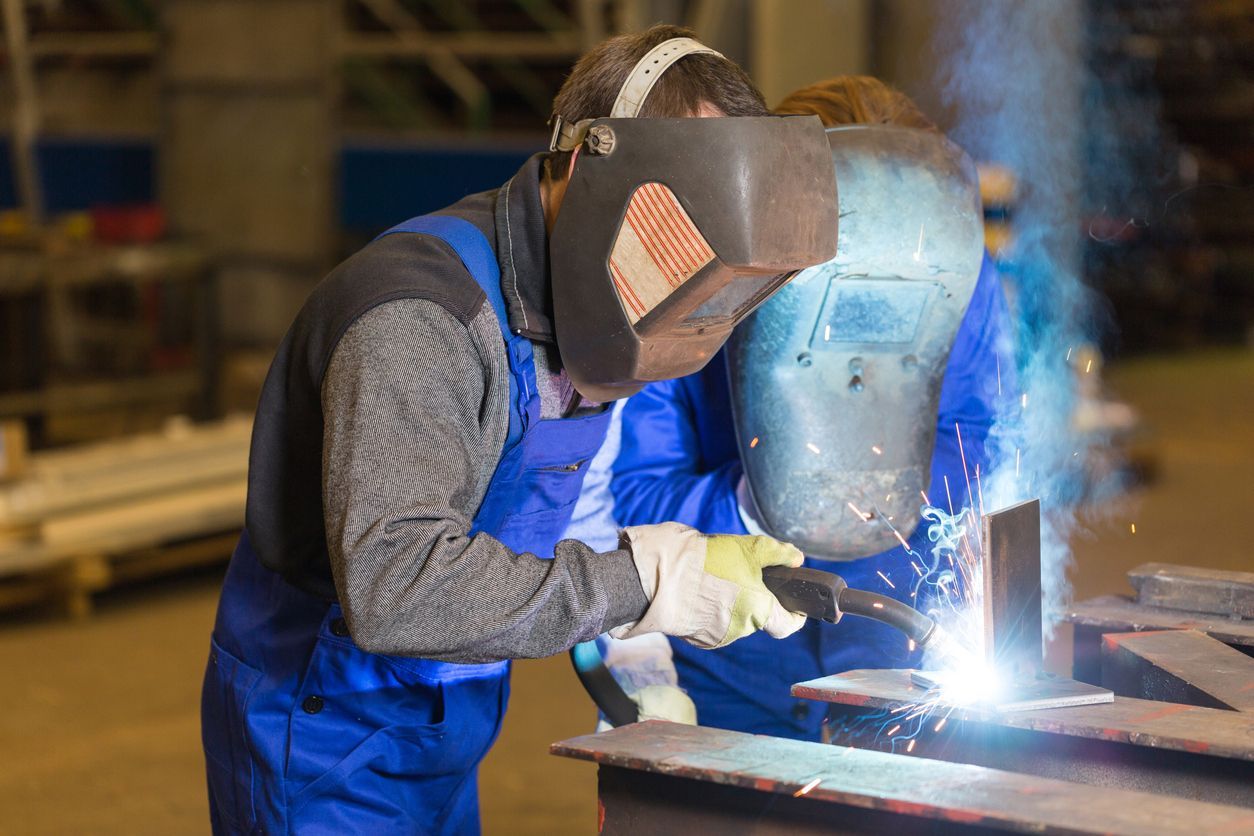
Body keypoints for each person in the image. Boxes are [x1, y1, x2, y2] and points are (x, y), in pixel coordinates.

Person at [200, 26, 842, 835]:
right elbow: (400, 587)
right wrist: (643, 582)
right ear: (582, 167)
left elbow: (567, 514)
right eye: (671, 225)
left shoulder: (591, 313)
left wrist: (640, 666)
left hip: (447, 715)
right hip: (323, 726)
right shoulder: (420, 318)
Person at [593, 75, 1017, 741]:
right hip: (726, 665)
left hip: (895, 663)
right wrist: (757, 503)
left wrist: (891, 492)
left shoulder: (955, 268)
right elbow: (624, 504)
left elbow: (983, 439)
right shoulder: (695, 280)